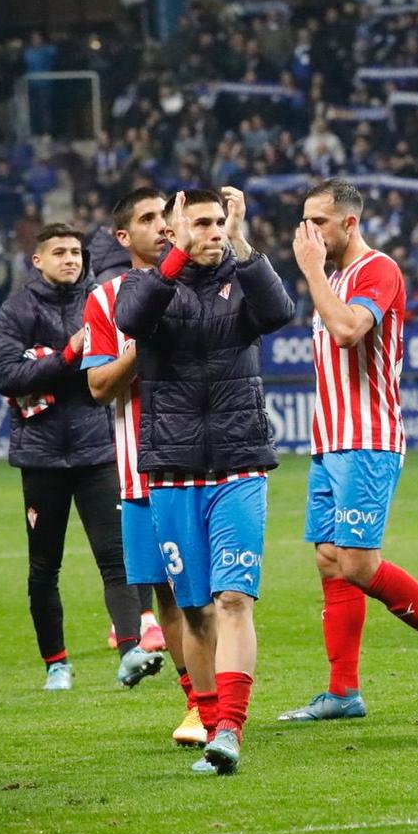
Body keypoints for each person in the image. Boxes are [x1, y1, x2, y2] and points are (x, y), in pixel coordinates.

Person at [277, 178, 418, 723]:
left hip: (368, 439)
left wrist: (312, 271)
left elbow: (348, 330)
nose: (308, 233)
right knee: (329, 561)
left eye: (318, 222)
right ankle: (343, 692)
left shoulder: (377, 270)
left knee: (360, 564)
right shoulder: (332, 274)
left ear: (349, 222)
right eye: (304, 221)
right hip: (330, 439)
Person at [116, 187, 295, 774]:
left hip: (240, 463)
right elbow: (132, 320)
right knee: (193, 612)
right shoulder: (150, 285)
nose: (212, 231)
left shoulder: (243, 275)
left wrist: (244, 244)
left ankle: (229, 730)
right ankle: (208, 712)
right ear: (175, 229)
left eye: (219, 221)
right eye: (201, 223)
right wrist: (176, 254)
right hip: (171, 470)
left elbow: (280, 314)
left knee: (235, 600)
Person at [0, 222, 153, 691]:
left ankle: (130, 653)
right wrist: (66, 357)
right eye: (59, 252)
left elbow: (115, 364)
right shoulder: (18, 308)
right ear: (37, 260)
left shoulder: (101, 300)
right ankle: (56, 663)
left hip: (97, 448)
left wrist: (57, 366)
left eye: (77, 252)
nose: (71, 259)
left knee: (116, 558)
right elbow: (5, 374)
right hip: (40, 456)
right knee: (44, 565)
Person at [81, 188, 202, 747]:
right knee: (172, 600)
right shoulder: (105, 300)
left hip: (204, 466)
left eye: (166, 216)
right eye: (148, 219)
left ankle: (225, 703)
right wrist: (141, 347)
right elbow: (100, 386)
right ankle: (199, 705)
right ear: (124, 237)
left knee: (211, 598)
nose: (162, 226)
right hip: (140, 475)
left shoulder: (207, 282)